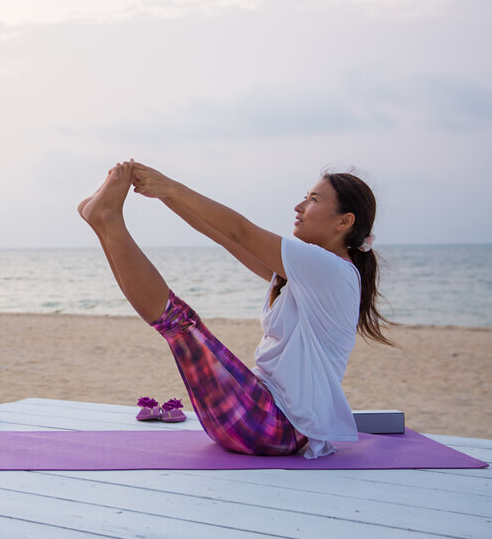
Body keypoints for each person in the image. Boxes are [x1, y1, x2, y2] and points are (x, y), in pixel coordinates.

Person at [78, 160, 394, 458]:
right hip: (259, 417)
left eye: (313, 200)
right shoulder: (312, 271)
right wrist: (163, 196)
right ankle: (104, 222)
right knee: (179, 325)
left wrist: (170, 186)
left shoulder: (329, 269)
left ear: (344, 221)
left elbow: (239, 230)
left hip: (274, 426)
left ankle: (107, 220)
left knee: (180, 323)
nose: (299, 207)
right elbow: (225, 238)